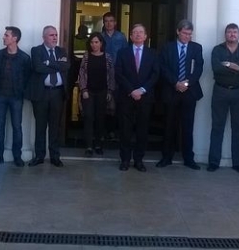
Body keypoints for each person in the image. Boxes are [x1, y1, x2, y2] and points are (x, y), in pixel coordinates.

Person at [157, 20, 204, 169]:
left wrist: (186, 83)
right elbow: (163, 67)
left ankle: (189, 158)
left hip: (189, 92)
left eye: (190, 34)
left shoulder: (196, 48)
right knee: (169, 125)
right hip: (171, 91)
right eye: (184, 33)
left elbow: (199, 68)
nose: (187, 36)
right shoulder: (167, 47)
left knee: (188, 126)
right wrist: (175, 83)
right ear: (178, 32)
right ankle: (166, 157)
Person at [208, 23, 239, 173]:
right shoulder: (217, 50)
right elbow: (216, 68)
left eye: (235, 32)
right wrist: (236, 67)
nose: (232, 34)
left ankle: (238, 163)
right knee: (217, 127)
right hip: (220, 91)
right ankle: (214, 162)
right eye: (229, 32)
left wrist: (227, 65)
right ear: (225, 34)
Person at [115, 23, 159, 172]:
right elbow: (119, 73)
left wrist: (142, 90)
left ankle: (139, 160)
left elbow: (155, 74)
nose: (138, 35)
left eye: (141, 32)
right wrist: (131, 90)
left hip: (145, 97)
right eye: (135, 32)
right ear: (131, 36)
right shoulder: (123, 53)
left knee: (142, 130)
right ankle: (125, 160)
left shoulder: (153, 53)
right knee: (125, 130)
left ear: (146, 36)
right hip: (126, 97)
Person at [27, 26, 70, 167]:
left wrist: (49, 63)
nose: (55, 37)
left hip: (57, 93)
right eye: (51, 35)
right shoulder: (36, 50)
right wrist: (57, 64)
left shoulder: (61, 51)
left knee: (55, 126)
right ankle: (39, 156)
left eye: (56, 35)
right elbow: (38, 68)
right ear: (44, 37)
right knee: (40, 126)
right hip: (41, 93)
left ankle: (55, 156)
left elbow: (66, 66)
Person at [0, 27, 31, 167]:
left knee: (17, 127)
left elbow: (27, 77)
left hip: (16, 97)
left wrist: (21, 91)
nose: (4, 37)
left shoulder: (24, 58)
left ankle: (17, 156)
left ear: (14, 38)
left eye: (6, 35)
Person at [77, 32, 115, 157]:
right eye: (92, 42)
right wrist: (84, 89)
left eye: (96, 42)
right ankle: (88, 146)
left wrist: (110, 91)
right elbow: (81, 73)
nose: (94, 45)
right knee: (88, 117)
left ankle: (98, 144)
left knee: (100, 118)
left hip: (103, 92)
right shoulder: (87, 56)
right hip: (89, 92)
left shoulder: (108, 57)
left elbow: (111, 75)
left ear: (101, 43)